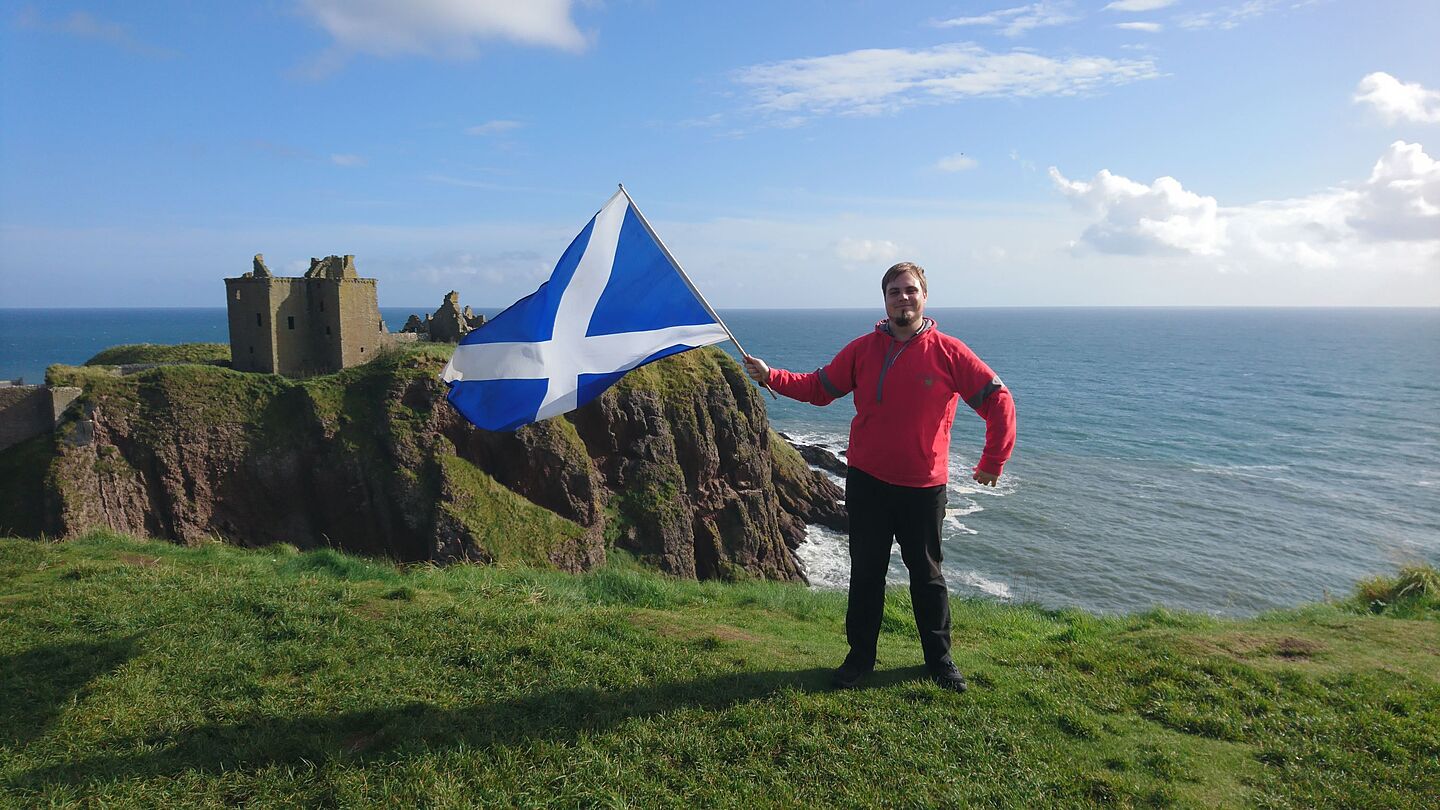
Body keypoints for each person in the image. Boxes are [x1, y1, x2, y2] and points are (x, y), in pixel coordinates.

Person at [743, 262, 1015, 693]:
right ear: (884, 299)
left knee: (926, 575)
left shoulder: (949, 351)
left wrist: (993, 460)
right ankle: (859, 660)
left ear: (924, 296)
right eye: (894, 291)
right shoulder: (863, 349)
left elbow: (997, 399)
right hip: (868, 481)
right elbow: (820, 388)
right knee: (866, 573)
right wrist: (770, 375)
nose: (903, 298)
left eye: (910, 290)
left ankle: (940, 661)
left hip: (923, 487)